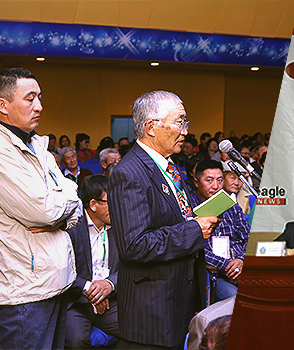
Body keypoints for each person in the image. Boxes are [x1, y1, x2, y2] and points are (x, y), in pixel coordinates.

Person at [0, 68, 82, 350]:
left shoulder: (38, 145)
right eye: (30, 98)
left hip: (55, 280)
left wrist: (61, 210)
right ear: (3, 105)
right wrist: (62, 205)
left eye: (40, 97)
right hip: (24, 290)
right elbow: (45, 210)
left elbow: (73, 203)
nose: (39, 106)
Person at [106, 90, 219, 349]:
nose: (185, 131)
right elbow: (135, 244)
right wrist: (193, 230)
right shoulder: (130, 173)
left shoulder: (168, 166)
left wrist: (195, 220)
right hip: (153, 309)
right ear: (151, 127)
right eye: (180, 122)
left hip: (179, 296)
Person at [65, 175, 120, 349]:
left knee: (140, 330)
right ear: (93, 205)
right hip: (77, 303)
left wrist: (109, 284)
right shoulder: (71, 228)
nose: (117, 206)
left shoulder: (119, 227)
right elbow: (63, 271)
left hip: (112, 301)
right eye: (110, 201)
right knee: (76, 341)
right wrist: (91, 291)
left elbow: (130, 264)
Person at [190, 160, 250, 301]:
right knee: (235, 300)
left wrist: (240, 261)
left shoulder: (232, 206)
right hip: (212, 273)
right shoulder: (190, 209)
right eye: (209, 180)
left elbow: (247, 237)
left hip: (239, 267)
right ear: (197, 182)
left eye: (220, 180)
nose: (215, 186)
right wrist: (227, 266)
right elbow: (195, 249)